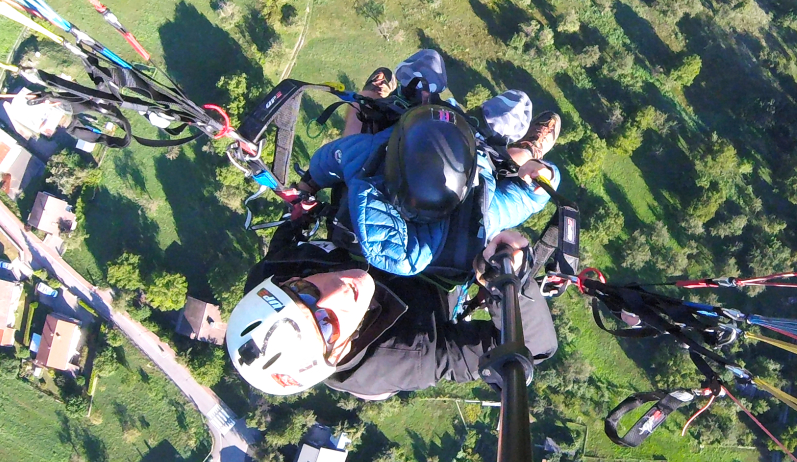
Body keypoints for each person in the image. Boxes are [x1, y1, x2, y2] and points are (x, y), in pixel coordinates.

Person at [296, 53, 565, 278]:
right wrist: (544, 178)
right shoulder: (481, 213)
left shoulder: (368, 155)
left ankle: (395, 95)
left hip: (417, 128)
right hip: (475, 148)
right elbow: (526, 198)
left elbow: (331, 157)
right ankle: (527, 149)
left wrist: (307, 186)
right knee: (513, 117)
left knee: (390, 90)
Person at [224, 228, 557, 398]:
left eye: (306, 292)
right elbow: (528, 351)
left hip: (374, 236)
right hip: (435, 285)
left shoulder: (270, 280)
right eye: (325, 324)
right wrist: (510, 280)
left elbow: (280, 251)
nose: (338, 292)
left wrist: (301, 211)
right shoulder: (404, 356)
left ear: (286, 282)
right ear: (339, 352)